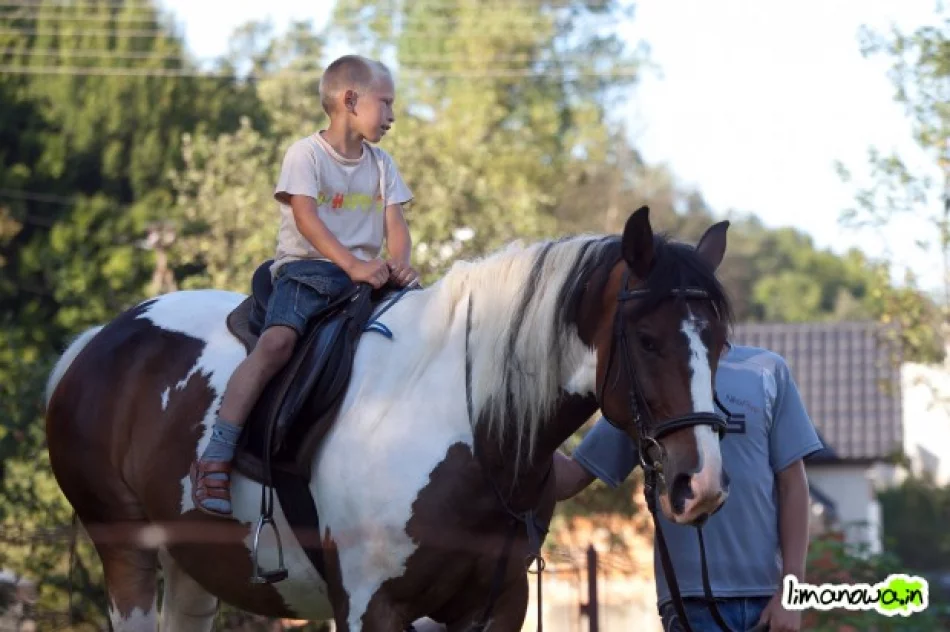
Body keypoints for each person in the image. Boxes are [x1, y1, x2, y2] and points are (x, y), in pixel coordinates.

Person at [190, 54, 417, 516]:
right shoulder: (306, 154)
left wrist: (400, 264)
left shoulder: (382, 164)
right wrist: (352, 265)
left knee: (419, 335)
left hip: (366, 278)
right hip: (307, 271)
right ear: (350, 100)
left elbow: (396, 223)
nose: (392, 115)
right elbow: (306, 218)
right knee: (276, 344)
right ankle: (217, 451)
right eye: (386, 103)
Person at [554, 343, 824, 632]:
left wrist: (790, 594)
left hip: (768, 602)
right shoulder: (648, 382)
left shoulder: (767, 370)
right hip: (691, 605)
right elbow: (569, 478)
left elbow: (792, 485)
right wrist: (524, 425)